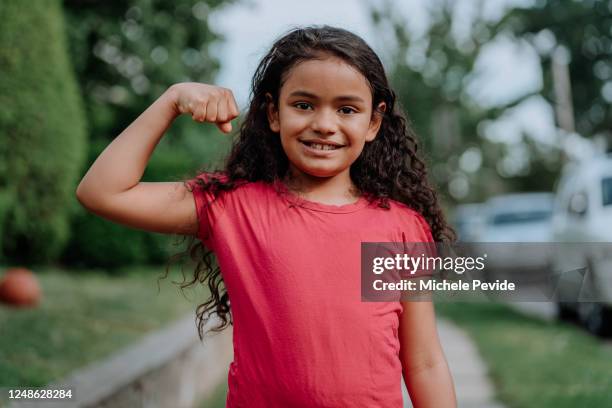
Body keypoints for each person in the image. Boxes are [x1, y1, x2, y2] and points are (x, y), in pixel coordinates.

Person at [76, 25, 457, 407]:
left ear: (373, 122)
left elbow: (424, 361)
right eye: (304, 105)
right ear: (274, 113)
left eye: (346, 109)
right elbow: (102, 193)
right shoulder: (231, 205)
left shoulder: (402, 226)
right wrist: (171, 100)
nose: (324, 124)